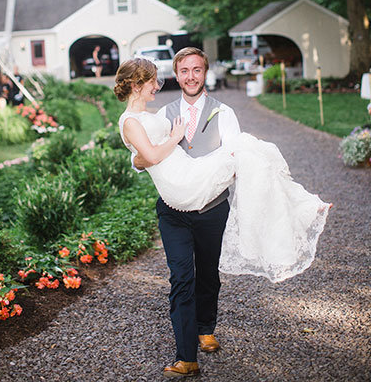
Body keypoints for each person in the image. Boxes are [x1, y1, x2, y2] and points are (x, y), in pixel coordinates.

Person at [114, 50, 330, 379]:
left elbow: (145, 148)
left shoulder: (221, 111)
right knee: (182, 279)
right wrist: (166, 142)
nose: (184, 78)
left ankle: (301, 206)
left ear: (204, 73)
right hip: (178, 196)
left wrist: (149, 152)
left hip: (207, 201)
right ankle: (186, 356)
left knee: (250, 151)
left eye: (196, 70)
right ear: (137, 83)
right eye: (180, 71)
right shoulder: (158, 114)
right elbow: (146, 154)